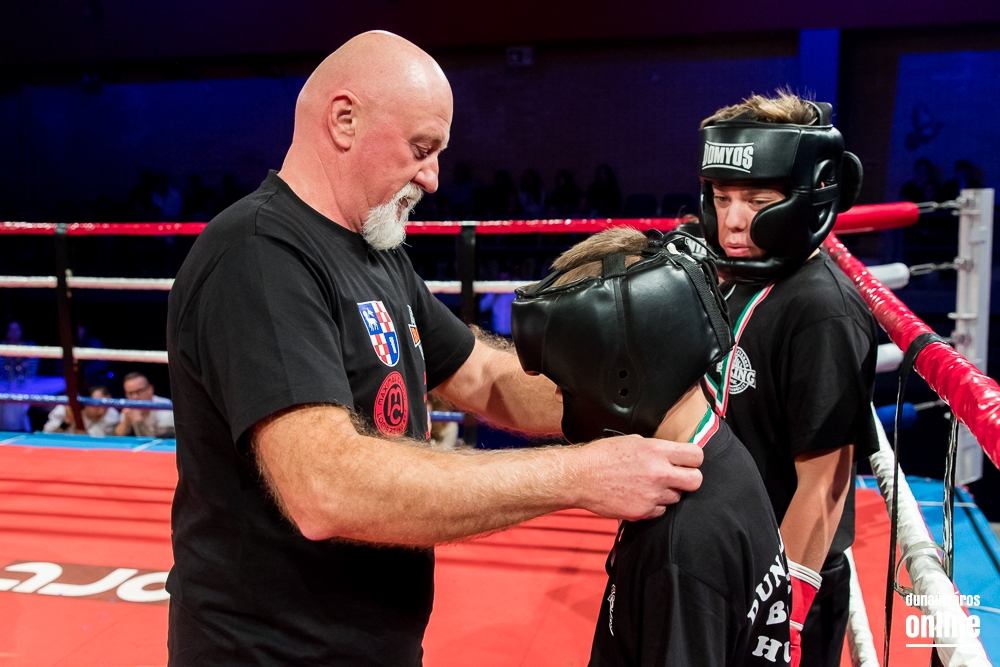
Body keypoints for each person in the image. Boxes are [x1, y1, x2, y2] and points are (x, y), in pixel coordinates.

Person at [164, 31, 704, 665]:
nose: (433, 177)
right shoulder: (258, 256)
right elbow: (325, 487)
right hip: (268, 652)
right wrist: (581, 475)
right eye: (421, 149)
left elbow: (478, 372)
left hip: (368, 641)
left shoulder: (372, 248)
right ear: (344, 120)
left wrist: (640, 395)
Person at [511, 227, 790, 666]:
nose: (559, 395)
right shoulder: (719, 457)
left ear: (622, 379)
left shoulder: (681, 545)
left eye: (565, 381)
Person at [698, 93, 878, 667]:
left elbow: (825, 486)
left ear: (809, 197)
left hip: (782, 578)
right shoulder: (729, 277)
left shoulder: (822, 310)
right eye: (722, 197)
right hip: (720, 563)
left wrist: (784, 613)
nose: (732, 219)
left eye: (757, 200)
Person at [114, 372, 174, 437]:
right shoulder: (129, 407)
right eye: (130, 393)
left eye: (139, 391)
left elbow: (162, 441)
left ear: (150, 389)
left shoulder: (165, 406)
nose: (134, 397)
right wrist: (126, 422)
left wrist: (139, 422)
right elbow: (119, 435)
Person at [43, 385, 119, 437]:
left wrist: (83, 433)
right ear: (86, 404)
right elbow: (46, 435)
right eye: (97, 404)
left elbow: (98, 440)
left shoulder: (111, 415)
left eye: (105, 404)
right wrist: (65, 424)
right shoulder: (63, 410)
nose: (102, 408)